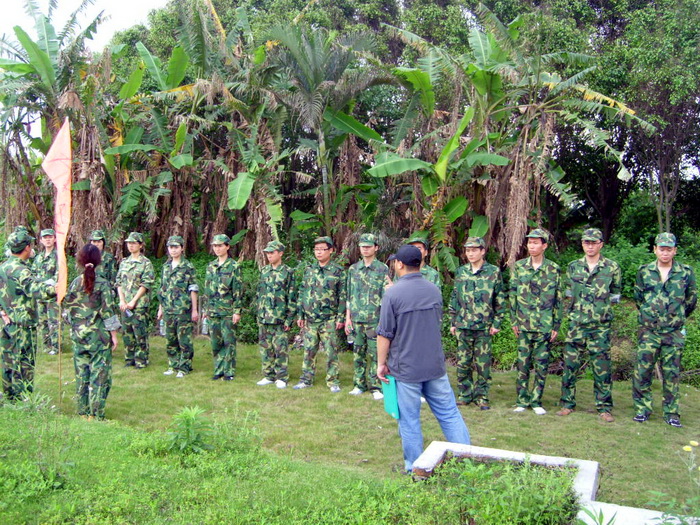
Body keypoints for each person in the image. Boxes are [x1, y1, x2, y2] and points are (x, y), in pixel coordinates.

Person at [377, 245, 470, 473]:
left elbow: (384, 334)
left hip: (407, 368)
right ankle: (467, 460)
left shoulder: (393, 293)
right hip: (434, 365)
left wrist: (381, 363)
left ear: (399, 264)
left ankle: (415, 468)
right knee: (449, 414)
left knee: (409, 421)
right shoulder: (433, 290)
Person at [632, 232, 697, 428]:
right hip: (649, 331)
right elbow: (638, 298)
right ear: (655, 250)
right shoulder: (644, 272)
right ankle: (642, 409)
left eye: (669, 249)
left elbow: (691, 300)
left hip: (673, 332)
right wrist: (650, 315)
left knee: (672, 373)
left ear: (675, 250)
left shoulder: (685, 272)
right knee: (643, 371)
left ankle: (671, 412)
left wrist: (676, 317)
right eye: (662, 248)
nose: (665, 252)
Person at [557, 228, 621, 422]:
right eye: (587, 242)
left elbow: (615, 295)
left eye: (594, 242)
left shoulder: (612, 267)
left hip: (600, 326)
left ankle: (604, 407)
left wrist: (599, 310)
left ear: (601, 244)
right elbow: (569, 294)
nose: (590, 246)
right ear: (583, 244)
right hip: (577, 323)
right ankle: (567, 404)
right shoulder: (573, 267)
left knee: (601, 367)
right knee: (570, 365)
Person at [63, 244, 121, 419]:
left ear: (80, 260)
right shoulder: (103, 284)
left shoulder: (74, 283)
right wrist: (114, 335)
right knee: (99, 376)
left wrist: (77, 326)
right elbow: (108, 311)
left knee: (82, 374)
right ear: (98, 260)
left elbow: (67, 313)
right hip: (99, 337)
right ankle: (96, 414)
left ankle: (83, 411)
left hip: (78, 336)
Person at [449, 237, 505, 410]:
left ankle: (482, 396)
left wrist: (497, 322)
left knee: (483, 364)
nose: (470, 253)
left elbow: (500, 300)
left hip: (484, 327)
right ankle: (465, 395)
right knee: (463, 363)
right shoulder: (461, 272)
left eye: (474, 250)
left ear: (482, 251)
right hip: (463, 325)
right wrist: (452, 321)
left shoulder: (493, 272)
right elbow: (454, 298)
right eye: (468, 250)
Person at [510, 228, 561, 415]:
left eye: (535, 243)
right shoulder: (520, 266)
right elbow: (513, 294)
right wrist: (513, 320)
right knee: (523, 364)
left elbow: (558, 298)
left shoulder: (553, 269)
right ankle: (522, 400)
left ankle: (536, 400)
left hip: (544, 324)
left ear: (544, 245)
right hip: (523, 323)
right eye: (530, 242)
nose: (531, 246)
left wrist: (556, 325)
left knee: (541, 364)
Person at [0, 229, 56, 401]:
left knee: (8, 360)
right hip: (22, 325)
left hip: (7, 322)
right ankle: (22, 399)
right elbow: (36, 290)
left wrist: (2, 312)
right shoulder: (20, 270)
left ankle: (8, 396)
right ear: (26, 248)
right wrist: (56, 288)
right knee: (23, 362)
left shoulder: (4, 266)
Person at [293, 236, 346, 393]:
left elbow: (343, 296)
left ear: (331, 251)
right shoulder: (310, 270)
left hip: (328, 319)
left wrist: (341, 317)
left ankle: (332, 381)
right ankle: (306, 379)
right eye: (316, 249)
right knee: (309, 351)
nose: (319, 252)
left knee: (331, 351)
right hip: (310, 319)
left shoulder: (338, 271)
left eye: (322, 249)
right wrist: (300, 314)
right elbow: (303, 291)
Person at [346, 233, 390, 400]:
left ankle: (376, 386)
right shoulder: (353, 269)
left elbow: (386, 295)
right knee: (358, 353)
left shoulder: (382, 269)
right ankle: (358, 384)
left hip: (374, 319)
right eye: (363, 246)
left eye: (369, 246)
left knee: (375, 354)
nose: (365, 249)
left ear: (376, 248)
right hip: (356, 319)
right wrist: (348, 318)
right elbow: (349, 295)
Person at [157, 235, 199, 378]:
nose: (173, 250)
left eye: (176, 247)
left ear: (182, 248)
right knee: (170, 338)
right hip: (168, 308)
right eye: (170, 247)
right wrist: (160, 308)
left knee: (184, 340)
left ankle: (184, 366)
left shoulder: (187, 267)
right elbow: (162, 289)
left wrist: (194, 309)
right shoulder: (166, 267)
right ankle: (173, 364)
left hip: (183, 309)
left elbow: (193, 288)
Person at [255, 241, 296, 389]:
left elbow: (292, 297)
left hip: (280, 317)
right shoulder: (264, 271)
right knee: (265, 348)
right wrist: (259, 314)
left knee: (280, 349)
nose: (269, 255)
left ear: (280, 253)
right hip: (264, 316)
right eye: (267, 252)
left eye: (272, 252)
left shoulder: (288, 272)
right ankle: (268, 375)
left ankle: (281, 377)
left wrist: (289, 319)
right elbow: (260, 293)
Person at [203, 234, 242, 381]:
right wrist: (206, 310)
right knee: (215, 342)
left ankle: (229, 371)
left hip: (227, 310)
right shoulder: (211, 266)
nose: (217, 248)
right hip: (213, 310)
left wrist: (237, 311)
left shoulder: (234, 266)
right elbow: (207, 290)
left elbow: (237, 291)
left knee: (228, 341)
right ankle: (218, 369)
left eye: (220, 246)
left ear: (227, 246)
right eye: (215, 246)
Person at [116, 232, 155, 368]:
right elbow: (119, 282)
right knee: (127, 332)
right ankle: (129, 358)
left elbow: (146, 283)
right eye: (129, 243)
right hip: (125, 304)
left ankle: (141, 359)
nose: (131, 246)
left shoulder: (146, 263)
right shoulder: (124, 262)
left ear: (140, 245)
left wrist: (134, 301)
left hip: (139, 304)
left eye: (133, 243)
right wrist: (122, 300)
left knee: (140, 332)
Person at [33, 229, 59, 354]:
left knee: (54, 321)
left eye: (50, 237)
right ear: (41, 240)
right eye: (45, 238)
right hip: (40, 294)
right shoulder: (38, 258)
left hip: (52, 294)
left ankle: (56, 346)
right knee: (42, 321)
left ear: (54, 239)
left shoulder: (58, 256)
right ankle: (46, 345)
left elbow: (58, 276)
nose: (48, 240)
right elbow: (33, 275)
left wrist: (49, 282)